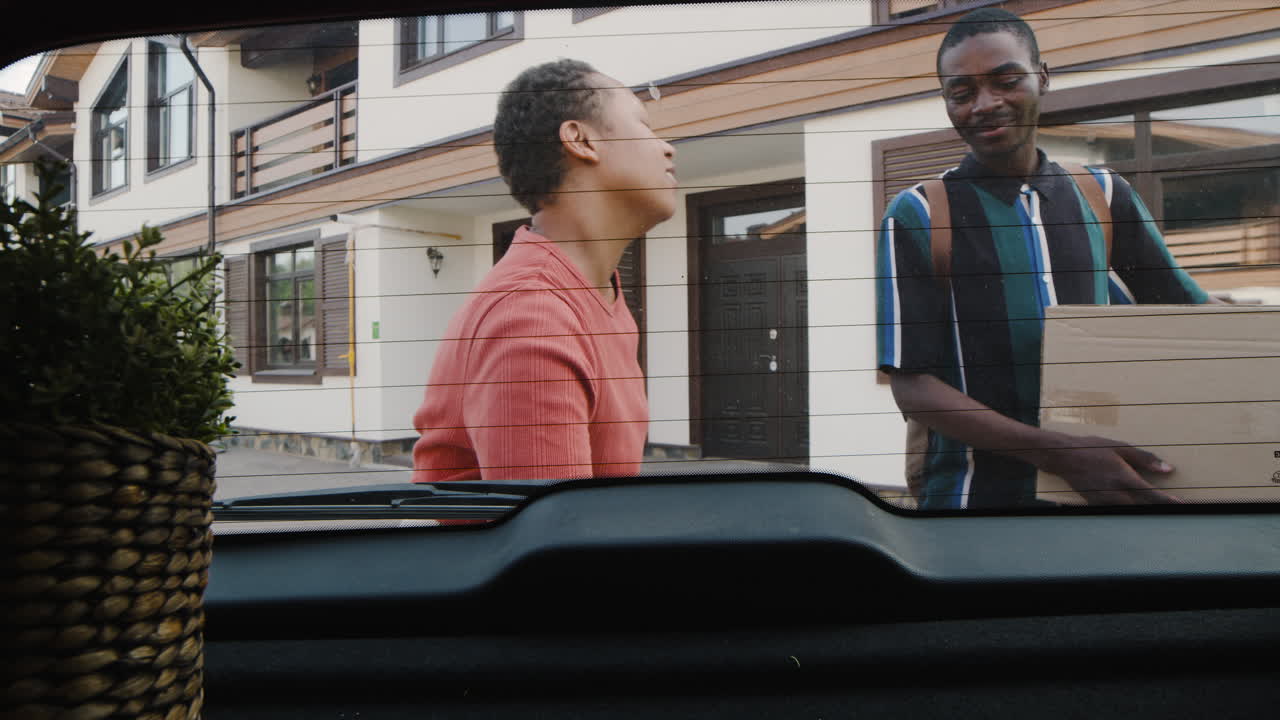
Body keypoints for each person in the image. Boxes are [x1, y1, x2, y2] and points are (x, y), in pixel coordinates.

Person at [875, 8, 1219, 510]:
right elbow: (914, 387)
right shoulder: (921, 213)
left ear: (1043, 77)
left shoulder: (1103, 194)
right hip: (974, 508)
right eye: (962, 92)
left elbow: (1189, 317)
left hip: (1109, 497)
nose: (985, 105)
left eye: (1006, 80)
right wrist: (1062, 455)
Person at [412, 59, 677, 484]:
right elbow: (556, 541)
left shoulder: (598, 294)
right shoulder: (533, 315)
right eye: (643, 125)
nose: (667, 147)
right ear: (581, 139)